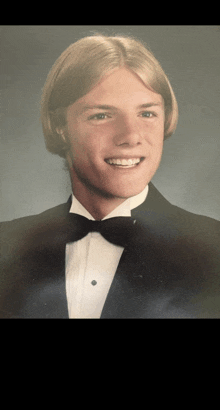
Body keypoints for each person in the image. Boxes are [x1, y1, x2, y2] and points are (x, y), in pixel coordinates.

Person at [1, 34, 220, 319]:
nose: (130, 136)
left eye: (147, 113)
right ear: (59, 126)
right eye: (102, 115)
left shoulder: (213, 248)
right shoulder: (7, 246)